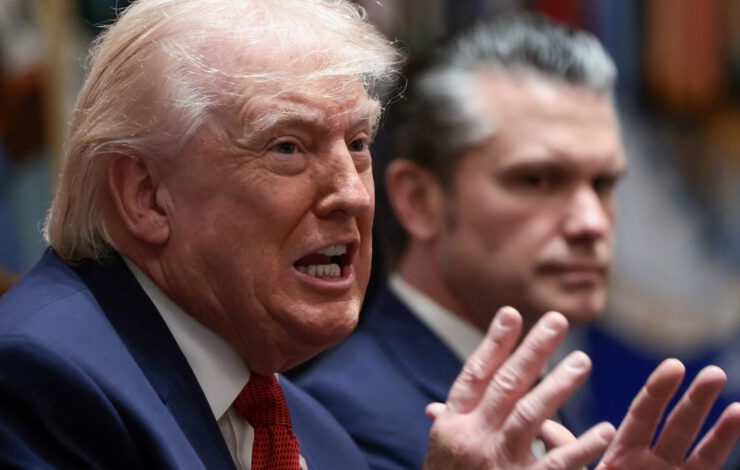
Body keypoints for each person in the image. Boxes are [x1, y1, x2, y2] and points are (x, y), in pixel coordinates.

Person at [0, 1, 627, 469]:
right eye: (288, 147)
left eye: (358, 144)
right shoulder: (30, 384)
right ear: (146, 195)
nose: (351, 194)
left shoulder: (317, 435)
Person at [296, 13, 740, 469]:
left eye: (604, 184)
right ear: (419, 200)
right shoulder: (343, 420)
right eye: (536, 180)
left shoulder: (531, 386)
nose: (591, 222)